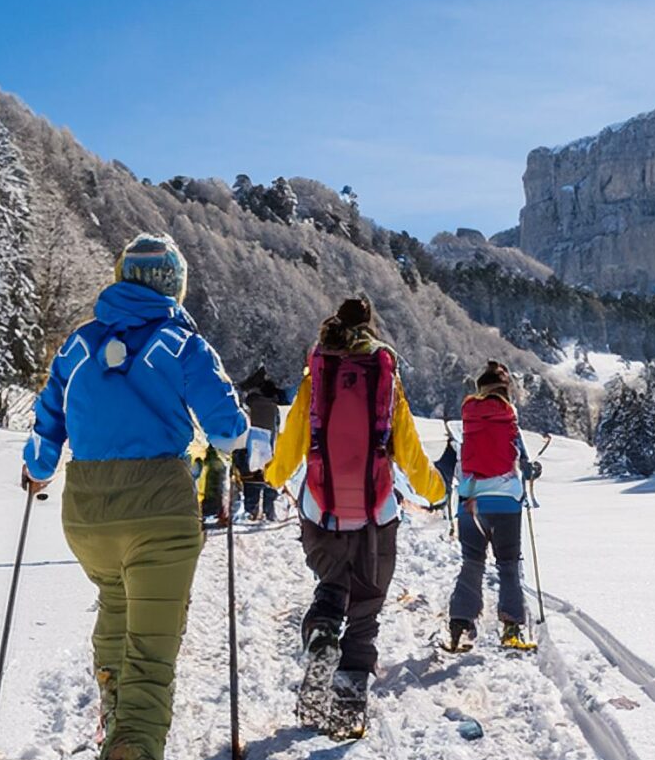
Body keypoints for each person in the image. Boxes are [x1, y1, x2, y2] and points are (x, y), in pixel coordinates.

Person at [22, 233, 248, 760]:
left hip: (86, 512)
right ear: (175, 284)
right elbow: (227, 428)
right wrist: (241, 444)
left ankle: (113, 699)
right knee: (151, 652)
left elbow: (46, 427)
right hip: (159, 510)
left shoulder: (79, 345)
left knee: (115, 600)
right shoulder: (181, 343)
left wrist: (37, 468)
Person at [264, 297, 445, 737]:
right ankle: (347, 707)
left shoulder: (318, 374)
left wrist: (271, 477)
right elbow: (408, 452)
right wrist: (436, 491)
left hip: (320, 509)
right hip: (376, 512)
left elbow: (290, 443)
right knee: (365, 611)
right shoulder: (384, 374)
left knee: (331, 589)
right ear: (370, 327)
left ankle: (322, 634)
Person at [445, 361, 542, 652]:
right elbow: (524, 463)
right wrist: (532, 470)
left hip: (471, 503)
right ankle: (511, 628)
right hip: (506, 505)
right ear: (505, 391)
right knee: (509, 567)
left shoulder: (468, 419)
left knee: (471, 564)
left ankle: (460, 625)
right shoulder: (509, 420)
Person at [232, 365, 288, 522]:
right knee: (269, 475)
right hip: (271, 443)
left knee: (252, 476)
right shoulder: (274, 404)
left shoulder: (249, 402)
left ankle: (252, 510)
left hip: (253, 443)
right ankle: (269, 512)